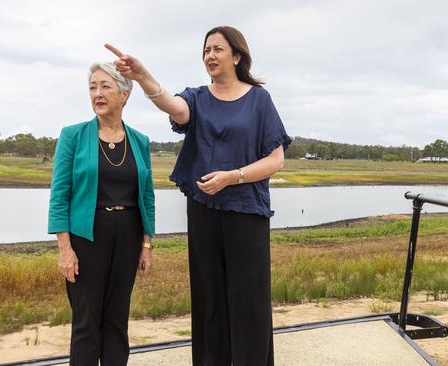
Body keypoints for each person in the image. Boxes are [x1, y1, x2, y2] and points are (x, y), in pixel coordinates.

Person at [106, 25, 290, 366]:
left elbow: (275, 159)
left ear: (237, 56)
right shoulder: (198, 98)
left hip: (246, 212)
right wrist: (143, 74)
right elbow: (173, 107)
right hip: (204, 209)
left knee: (249, 300)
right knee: (209, 297)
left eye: (218, 49)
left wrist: (232, 177)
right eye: (206, 50)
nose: (210, 56)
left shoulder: (259, 100)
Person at [47, 62, 155, 366]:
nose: (97, 93)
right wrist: (65, 249)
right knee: (86, 322)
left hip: (128, 236)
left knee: (117, 320)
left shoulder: (140, 141)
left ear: (125, 94)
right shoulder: (73, 136)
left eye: (105, 86)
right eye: (93, 86)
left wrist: (146, 244)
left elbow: (146, 195)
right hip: (87, 238)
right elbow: (59, 197)